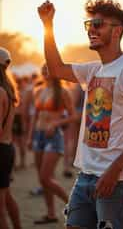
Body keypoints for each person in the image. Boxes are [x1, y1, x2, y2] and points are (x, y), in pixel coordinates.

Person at [38, 0, 123, 229]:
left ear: (117, 31)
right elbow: (56, 68)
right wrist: (47, 25)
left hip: (118, 180)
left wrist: (114, 170)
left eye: (99, 24)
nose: (91, 29)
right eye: (90, 24)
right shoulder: (94, 69)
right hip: (86, 175)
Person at [27, 64, 76, 224]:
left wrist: (55, 124)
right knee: (43, 179)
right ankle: (51, 214)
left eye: (48, 69)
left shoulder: (63, 92)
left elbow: (73, 116)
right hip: (38, 136)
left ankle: (75, 207)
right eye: (43, 69)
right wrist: (30, 136)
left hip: (54, 136)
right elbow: (35, 116)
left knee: (45, 177)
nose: (44, 72)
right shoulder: (39, 90)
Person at [0, 47, 22, 229]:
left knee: (0, 210)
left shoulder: (0, 92)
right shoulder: (8, 90)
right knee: (6, 198)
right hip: (6, 149)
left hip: (0, 150)